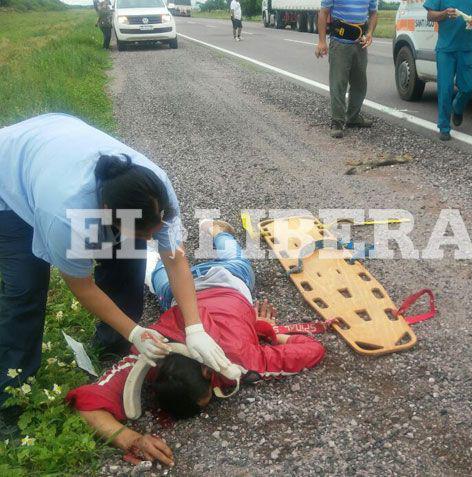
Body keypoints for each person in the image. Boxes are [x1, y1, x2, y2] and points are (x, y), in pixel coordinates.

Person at [0, 114, 231, 433]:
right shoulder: (64, 218)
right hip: (10, 178)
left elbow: (175, 261)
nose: (154, 238)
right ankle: (11, 396)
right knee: (26, 288)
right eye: (145, 232)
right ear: (110, 215)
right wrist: (136, 331)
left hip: (59, 139)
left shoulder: (155, 187)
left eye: (155, 228)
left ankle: (110, 346)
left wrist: (195, 328)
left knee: (128, 259)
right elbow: (83, 287)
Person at [66, 220, 325, 466]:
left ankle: (213, 230)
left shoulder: (235, 358)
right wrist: (130, 439)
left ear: (206, 370)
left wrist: (268, 331)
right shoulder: (152, 344)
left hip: (225, 281)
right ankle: (209, 231)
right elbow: (88, 403)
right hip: (180, 288)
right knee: (162, 267)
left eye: (208, 392)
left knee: (235, 258)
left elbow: (312, 348)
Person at [424, 0, 472, 141]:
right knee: (445, 88)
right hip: (446, 49)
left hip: (468, 48)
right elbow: (430, 15)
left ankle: (458, 107)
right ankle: (444, 127)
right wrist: (444, 13)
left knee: (468, 87)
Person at [315, 0, 378, 138]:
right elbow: (323, 12)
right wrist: (321, 41)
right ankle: (337, 121)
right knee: (338, 83)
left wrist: (370, 33)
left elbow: (373, 13)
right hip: (340, 43)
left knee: (360, 83)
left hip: (360, 43)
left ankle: (353, 118)